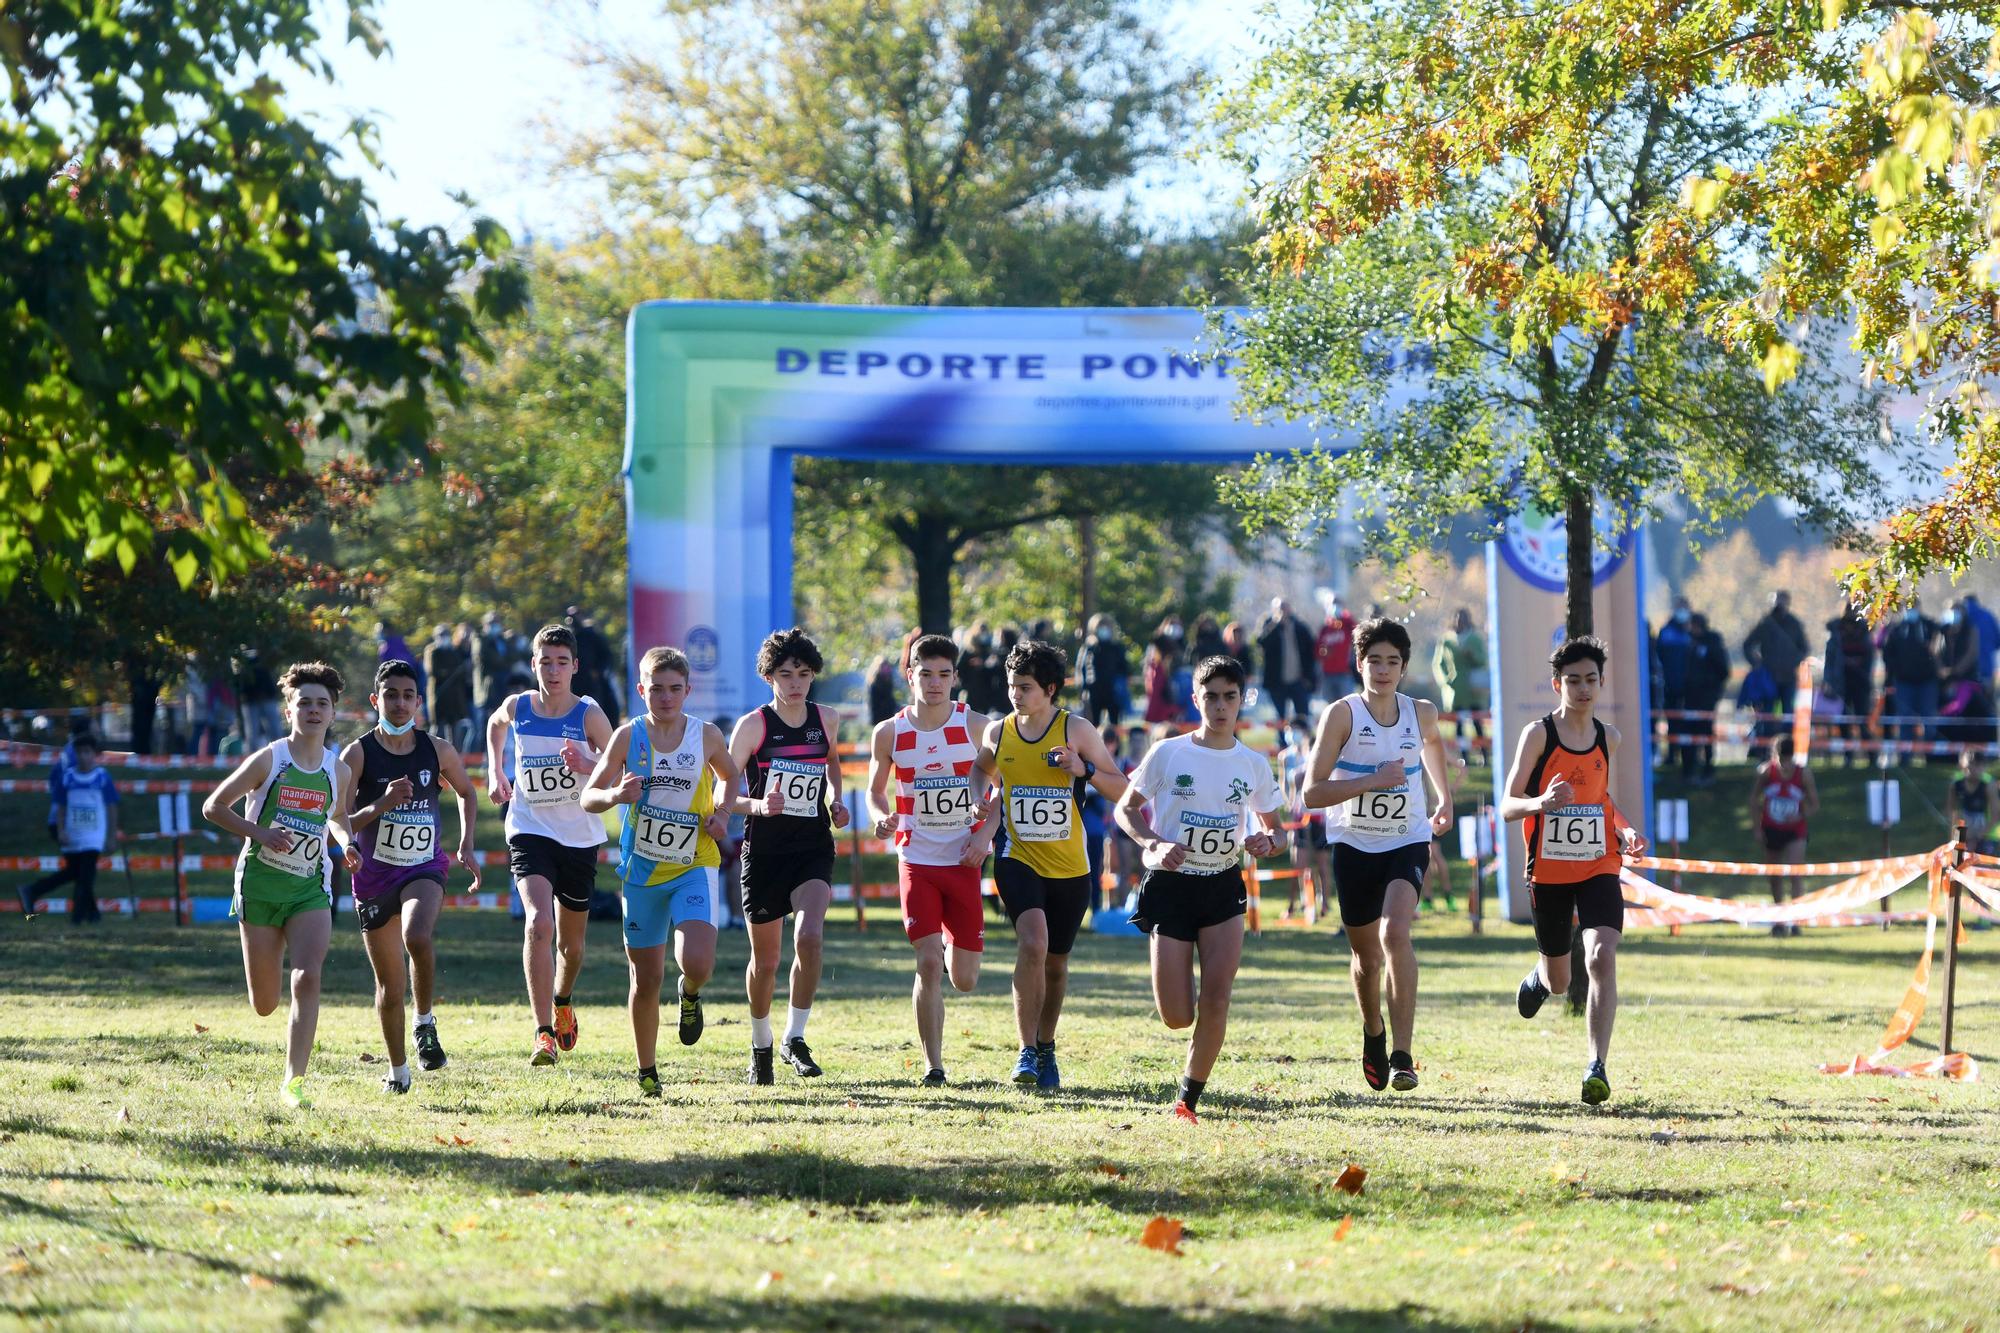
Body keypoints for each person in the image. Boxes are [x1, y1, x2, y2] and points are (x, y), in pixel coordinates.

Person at [1115, 656, 1284, 1122]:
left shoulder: (1253, 763)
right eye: (1211, 696)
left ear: (1241, 700)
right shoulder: (1169, 753)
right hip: (1171, 887)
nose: (1220, 706)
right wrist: (1152, 842)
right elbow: (1124, 810)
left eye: (1230, 696)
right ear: (1196, 699)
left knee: (1218, 995)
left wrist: (1268, 841)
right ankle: (1185, 1044)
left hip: (1223, 887)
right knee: (1176, 1015)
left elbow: (1279, 831)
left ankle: (1188, 1098)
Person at [201, 662, 362, 1109]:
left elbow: (338, 818)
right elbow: (214, 807)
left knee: (308, 977)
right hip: (260, 885)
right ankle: (277, 1033)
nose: (313, 710)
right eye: (304, 702)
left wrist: (347, 844)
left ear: (333, 713)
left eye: (322, 704)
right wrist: (261, 833)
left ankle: (294, 1081)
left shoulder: (338, 771)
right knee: (265, 1003)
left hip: (310, 889)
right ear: (289, 709)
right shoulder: (270, 759)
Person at [1302, 618, 1453, 1092]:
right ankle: (1374, 1033)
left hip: (1406, 838)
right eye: (1374, 661)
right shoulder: (1342, 715)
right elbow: (1311, 793)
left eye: (1393, 662)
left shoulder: (1421, 713)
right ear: (1359, 664)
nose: (1383, 670)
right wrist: (1372, 780)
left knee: (1395, 931)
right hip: (1353, 843)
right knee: (1367, 957)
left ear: (1404, 667)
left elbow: (1432, 746)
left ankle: (1404, 1055)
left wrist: (1442, 797)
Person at [581, 646, 738, 1097]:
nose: (666, 697)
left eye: (674, 689)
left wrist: (724, 813)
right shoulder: (628, 737)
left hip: (694, 863)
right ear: (641, 689)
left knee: (698, 962)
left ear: (688, 690)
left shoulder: (705, 735)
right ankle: (647, 1070)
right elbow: (588, 796)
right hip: (643, 872)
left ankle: (690, 995)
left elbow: (729, 776)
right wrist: (614, 796)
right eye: (656, 689)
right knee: (646, 978)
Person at [974, 639, 1130, 1090]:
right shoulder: (997, 732)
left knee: (1057, 965)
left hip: (1072, 868)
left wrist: (1084, 771)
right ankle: (1025, 1051)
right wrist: (980, 796)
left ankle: (1046, 1046)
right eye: (1011, 686)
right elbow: (982, 768)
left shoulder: (1076, 730)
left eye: (1025, 687)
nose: (1015, 696)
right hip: (1017, 857)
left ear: (1050, 689)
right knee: (1033, 944)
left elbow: (1121, 789)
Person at [1501, 637, 1647, 1107]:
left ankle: (1596, 1066)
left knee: (1602, 955)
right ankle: (1540, 980)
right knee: (1562, 979)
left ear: (1601, 682)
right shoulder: (1538, 735)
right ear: (1556, 684)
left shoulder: (1610, 737)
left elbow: (1602, 800)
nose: (1582, 688)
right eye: (1572, 680)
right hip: (1548, 871)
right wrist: (1540, 803)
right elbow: (1507, 805)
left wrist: (1624, 831)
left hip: (1599, 865)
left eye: (1590, 680)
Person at [339, 660, 481, 1092]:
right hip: (374, 877)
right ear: (375, 700)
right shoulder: (357, 754)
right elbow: (341, 819)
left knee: (417, 936)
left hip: (424, 867)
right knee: (389, 985)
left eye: (407, 696)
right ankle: (398, 1072)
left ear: (419, 702)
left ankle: (424, 1023)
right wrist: (380, 805)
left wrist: (467, 843)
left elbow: (467, 791)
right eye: (391, 695)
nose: (399, 703)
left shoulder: (436, 750)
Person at [865, 635, 999, 1086]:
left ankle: (949, 944)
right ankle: (933, 1066)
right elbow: (874, 791)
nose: (936, 683)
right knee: (927, 964)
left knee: (964, 979)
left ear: (956, 678)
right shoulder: (890, 732)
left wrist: (984, 834)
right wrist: (882, 818)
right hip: (916, 858)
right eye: (926, 674)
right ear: (911, 677)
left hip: (963, 861)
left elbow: (1005, 787)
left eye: (944, 674)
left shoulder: (978, 726)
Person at [486, 624, 614, 1067]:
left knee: (571, 948)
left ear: (575, 667)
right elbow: (494, 725)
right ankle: (542, 1033)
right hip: (529, 829)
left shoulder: (589, 715)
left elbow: (618, 770)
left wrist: (588, 761)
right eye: (545, 662)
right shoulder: (518, 706)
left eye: (562, 662)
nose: (553, 671)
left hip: (578, 837)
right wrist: (495, 772)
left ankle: (563, 999)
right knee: (539, 923)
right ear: (534, 665)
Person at [727, 627, 849, 1084]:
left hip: (812, 847)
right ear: (768, 678)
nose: (795, 683)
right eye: (785, 674)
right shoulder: (754, 726)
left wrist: (836, 799)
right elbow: (722, 793)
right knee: (766, 961)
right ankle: (760, 1043)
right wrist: (756, 804)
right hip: (764, 853)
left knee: (811, 937)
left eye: (802, 673)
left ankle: (795, 1037)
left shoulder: (827, 718)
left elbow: (831, 761)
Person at [18, 734, 121, 923]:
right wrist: (61, 830)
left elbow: (112, 806)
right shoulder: (68, 778)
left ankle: (78, 917)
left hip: (94, 836)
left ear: (94, 754)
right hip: (73, 834)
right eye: (80, 752)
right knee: (77, 874)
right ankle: (34, 892)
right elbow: (60, 806)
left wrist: (111, 835)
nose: (83, 757)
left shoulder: (102, 777)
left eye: (87, 752)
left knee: (85, 876)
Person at [1748, 735, 1818, 939]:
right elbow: (1753, 799)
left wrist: (1800, 814)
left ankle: (1795, 920)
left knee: (1795, 873)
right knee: (1775, 875)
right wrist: (1757, 827)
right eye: (1782, 760)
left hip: (1795, 830)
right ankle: (1779, 920)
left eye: (1788, 760)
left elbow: (1814, 804)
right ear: (1774, 755)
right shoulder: (1765, 772)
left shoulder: (1803, 774)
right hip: (1771, 828)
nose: (1785, 765)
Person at [1278, 716, 1331, 922]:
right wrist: (1289, 805)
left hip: (1320, 814)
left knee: (1322, 864)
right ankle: (1295, 904)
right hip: (1300, 814)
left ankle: (1324, 904)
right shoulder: (1287, 756)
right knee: (1298, 863)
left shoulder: (1318, 756)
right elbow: (1288, 786)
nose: (1292, 734)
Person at [1880, 601, 1941, 764]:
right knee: (1905, 721)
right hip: (1904, 682)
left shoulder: (1930, 626)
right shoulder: (1897, 629)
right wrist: (1891, 677)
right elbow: (1887, 654)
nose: (1911, 610)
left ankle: (1931, 758)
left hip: (1927, 682)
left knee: (1929, 720)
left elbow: (1941, 643)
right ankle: (1905, 758)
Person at [1826, 603, 1876, 766]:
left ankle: (1871, 757)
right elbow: (1830, 661)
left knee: (1863, 720)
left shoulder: (1865, 632)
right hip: (1842, 684)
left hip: (1861, 684)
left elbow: (1870, 657)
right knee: (1843, 721)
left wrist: (1860, 664)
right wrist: (1829, 682)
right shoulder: (1836, 633)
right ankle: (1848, 756)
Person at [1683, 612, 1730, 785]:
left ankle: (1708, 769)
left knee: (1706, 733)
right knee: (1689, 733)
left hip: (1706, 697)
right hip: (1690, 696)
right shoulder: (1688, 643)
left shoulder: (1713, 644)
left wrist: (1712, 689)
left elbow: (1723, 670)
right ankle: (1688, 769)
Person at [1432, 609, 1490, 743]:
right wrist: (1444, 681)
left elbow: (1482, 661)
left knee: (1477, 721)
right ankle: (1463, 754)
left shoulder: (1475, 638)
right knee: (1458, 722)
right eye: (1458, 618)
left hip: (1472, 688)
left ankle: (1483, 753)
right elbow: (1438, 663)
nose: (1460, 621)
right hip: (1455, 688)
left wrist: (1472, 655)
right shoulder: (1446, 640)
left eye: (1463, 618)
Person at [1257, 598, 1318, 723]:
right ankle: (1281, 741)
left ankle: (1303, 740)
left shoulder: (1300, 627)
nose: (1283, 611)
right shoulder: (1269, 625)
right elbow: (1261, 642)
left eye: (1286, 608)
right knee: (1280, 717)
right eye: (1280, 608)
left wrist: (1308, 677)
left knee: (1302, 716)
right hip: (1277, 681)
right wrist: (1275, 624)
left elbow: (1311, 653)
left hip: (1298, 680)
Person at [1077, 614, 1131, 727]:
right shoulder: (1089, 648)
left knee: (1115, 725)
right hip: (1094, 691)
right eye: (1101, 626)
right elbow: (1082, 669)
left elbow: (1125, 669)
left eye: (1106, 626)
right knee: (1093, 725)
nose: (1104, 629)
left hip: (1113, 692)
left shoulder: (1117, 647)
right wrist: (1083, 688)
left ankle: (1114, 744)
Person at [1947, 748, 1996, 854]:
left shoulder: (1988, 785)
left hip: (1985, 833)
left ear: (1984, 767)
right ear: (1962, 765)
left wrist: (1979, 835)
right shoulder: (1956, 783)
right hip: (1962, 831)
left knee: (1983, 867)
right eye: (1970, 765)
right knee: (1957, 865)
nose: (1973, 769)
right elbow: (1952, 810)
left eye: (1977, 765)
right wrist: (1956, 834)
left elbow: (1995, 815)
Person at [1316, 594, 1358, 703]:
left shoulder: (1347, 624)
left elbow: (1357, 632)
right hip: (1328, 674)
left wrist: (1345, 617)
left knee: (1348, 705)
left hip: (1344, 673)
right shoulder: (1325, 628)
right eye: (1333, 604)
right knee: (1331, 706)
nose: (1335, 606)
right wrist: (1325, 653)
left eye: (1337, 603)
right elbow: (1317, 650)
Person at [1142, 617, 1185, 724]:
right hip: (1163, 714)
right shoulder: (1158, 669)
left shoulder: (1158, 669)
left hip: (1166, 713)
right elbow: (1156, 694)